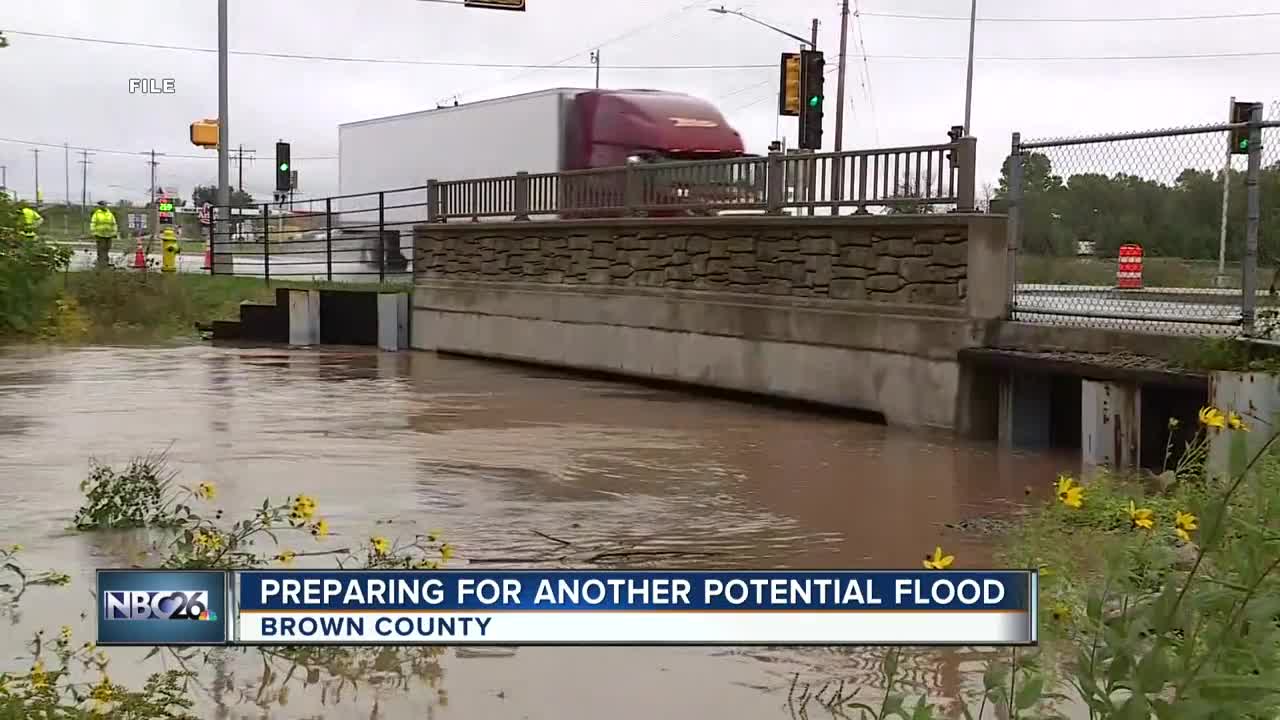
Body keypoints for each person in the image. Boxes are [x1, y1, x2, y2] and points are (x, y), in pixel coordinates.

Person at [90, 201, 119, 268]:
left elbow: (114, 223)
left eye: (105, 204)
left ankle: (104, 261)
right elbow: (93, 223)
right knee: (101, 248)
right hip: (100, 234)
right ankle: (102, 263)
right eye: (102, 205)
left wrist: (114, 232)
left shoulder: (110, 214)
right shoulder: (96, 214)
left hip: (109, 235)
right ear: (100, 206)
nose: (104, 206)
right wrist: (93, 232)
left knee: (107, 247)